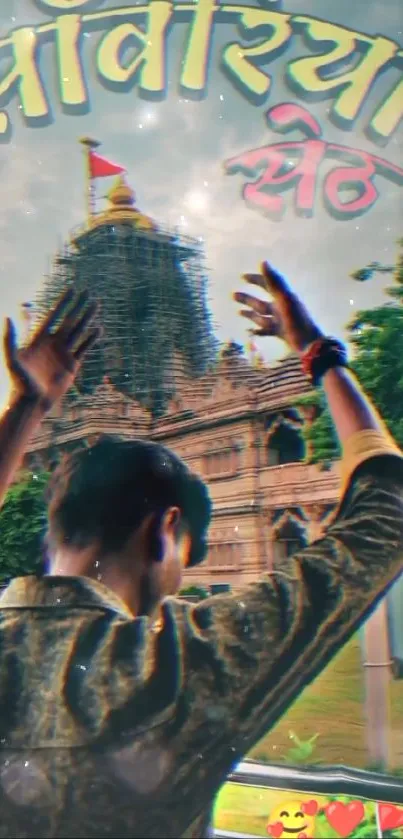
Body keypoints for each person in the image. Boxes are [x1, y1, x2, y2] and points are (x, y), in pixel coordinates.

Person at [0, 265, 402, 839]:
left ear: (52, 529)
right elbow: (387, 510)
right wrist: (318, 353)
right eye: (186, 553)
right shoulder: (176, 666)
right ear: (165, 532)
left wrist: (24, 409)